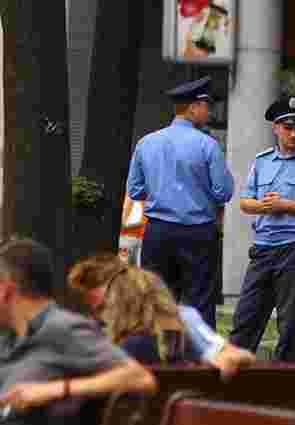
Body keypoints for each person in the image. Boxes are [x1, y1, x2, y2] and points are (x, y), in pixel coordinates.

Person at [0, 239, 156, 424]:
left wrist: (58, 389)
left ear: (5, 290)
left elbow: (140, 378)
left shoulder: (62, 328)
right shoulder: (9, 338)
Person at [127, 75, 234, 329]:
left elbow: (135, 190)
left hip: (158, 232)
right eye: (206, 105)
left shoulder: (146, 142)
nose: (209, 111)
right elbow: (224, 193)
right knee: (200, 302)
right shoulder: (208, 145)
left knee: (157, 300)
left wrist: (161, 191)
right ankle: (200, 362)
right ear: (193, 107)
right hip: (198, 233)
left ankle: (158, 359)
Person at [229, 96, 295, 362]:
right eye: (286, 127)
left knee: (289, 321)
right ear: (275, 128)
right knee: (245, 317)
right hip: (263, 249)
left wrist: (285, 205)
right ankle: (233, 373)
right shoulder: (261, 161)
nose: (293, 134)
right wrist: (264, 207)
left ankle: (285, 378)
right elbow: (245, 202)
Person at [68, 254, 255, 378]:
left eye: (103, 306)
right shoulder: (178, 325)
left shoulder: (181, 320)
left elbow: (233, 355)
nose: (100, 314)